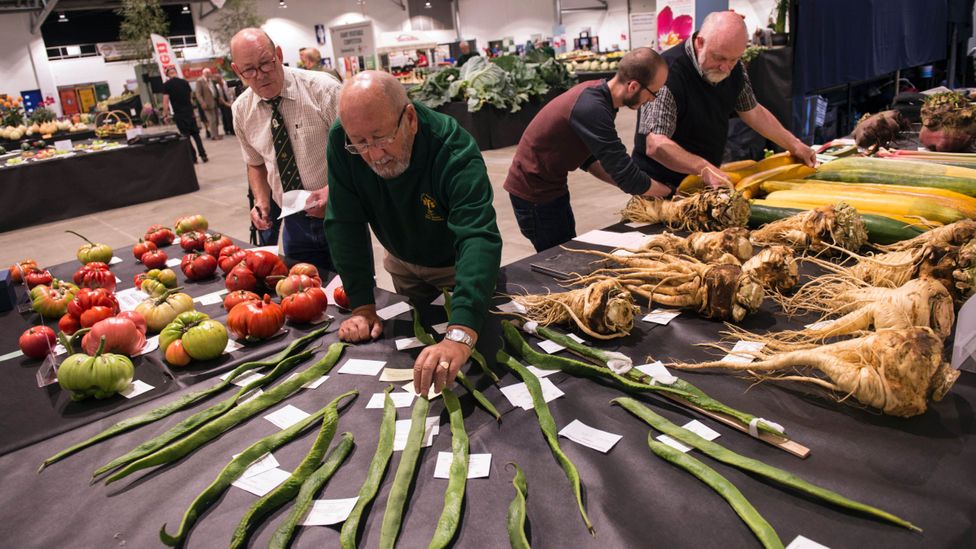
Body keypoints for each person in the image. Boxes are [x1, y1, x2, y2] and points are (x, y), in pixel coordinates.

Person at [324, 71, 502, 397]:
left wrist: (461, 331)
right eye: (361, 143)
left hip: (456, 266)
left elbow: (477, 236)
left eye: (381, 138)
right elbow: (344, 222)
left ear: (410, 118)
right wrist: (362, 306)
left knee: (476, 352)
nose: (374, 154)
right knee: (419, 334)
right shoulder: (341, 140)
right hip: (402, 261)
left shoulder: (453, 148)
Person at [503, 47, 669, 252]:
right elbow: (626, 174)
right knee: (561, 259)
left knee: (566, 248)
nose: (653, 100)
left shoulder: (602, 99)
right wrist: (668, 193)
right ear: (633, 86)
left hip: (551, 188)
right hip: (535, 195)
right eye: (654, 93)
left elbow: (591, 160)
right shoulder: (593, 108)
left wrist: (634, 184)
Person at [634, 11, 817, 192]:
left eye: (734, 59)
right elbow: (655, 144)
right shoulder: (665, 74)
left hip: (704, 183)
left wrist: (795, 144)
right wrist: (703, 167)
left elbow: (753, 112)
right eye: (719, 57)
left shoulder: (733, 67)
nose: (726, 67)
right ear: (700, 43)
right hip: (657, 187)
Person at [230, 28, 340, 271]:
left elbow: (357, 152)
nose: (260, 75)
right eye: (249, 70)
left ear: (278, 54)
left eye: (266, 64)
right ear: (237, 71)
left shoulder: (323, 90)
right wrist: (261, 200)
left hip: (339, 214)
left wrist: (333, 191)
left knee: (355, 295)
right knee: (304, 296)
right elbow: (256, 162)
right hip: (293, 222)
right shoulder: (241, 110)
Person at [160, 66, 208, 163]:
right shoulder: (185, 82)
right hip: (189, 113)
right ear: (175, 73)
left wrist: (165, 114)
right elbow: (190, 98)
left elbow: (165, 101)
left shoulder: (167, 85)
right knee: (196, 135)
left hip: (179, 114)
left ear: (168, 75)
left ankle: (193, 158)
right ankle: (203, 155)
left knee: (186, 137)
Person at [195, 68, 222, 140]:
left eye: (209, 73)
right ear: (204, 73)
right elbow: (198, 94)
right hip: (206, 104)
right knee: (211, 120)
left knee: (216, 119)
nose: (209, 74)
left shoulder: (211, 80)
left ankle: (216, 134)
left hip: (214, 102)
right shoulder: (200, 81)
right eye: (207, 73)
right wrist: (202, 102)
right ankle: (214, 136)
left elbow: (215, 89)